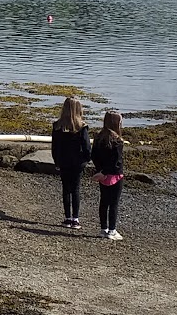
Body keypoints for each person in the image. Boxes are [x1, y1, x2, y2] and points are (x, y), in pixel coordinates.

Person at [50, 96, 92, 231]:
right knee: (75, 189)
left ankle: (67, 217)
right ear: (79, 109)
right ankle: (75, 218)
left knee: (66, 189)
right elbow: (86, 147)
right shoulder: (81, 127)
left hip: (63, 161)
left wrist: (56, 161)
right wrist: (86, 160)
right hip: (77, 163)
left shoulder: (57, 126)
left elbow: (54, 146)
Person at [92, 110, 126, 241]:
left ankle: (103, 229)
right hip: (115, 175)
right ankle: (112, 230)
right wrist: (106, 171)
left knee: (104, 202)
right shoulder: (118, 141)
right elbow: (116, 161)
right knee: (114, 203)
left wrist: (100, 171)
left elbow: (94, 156)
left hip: (102, 175)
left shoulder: (98, 138)